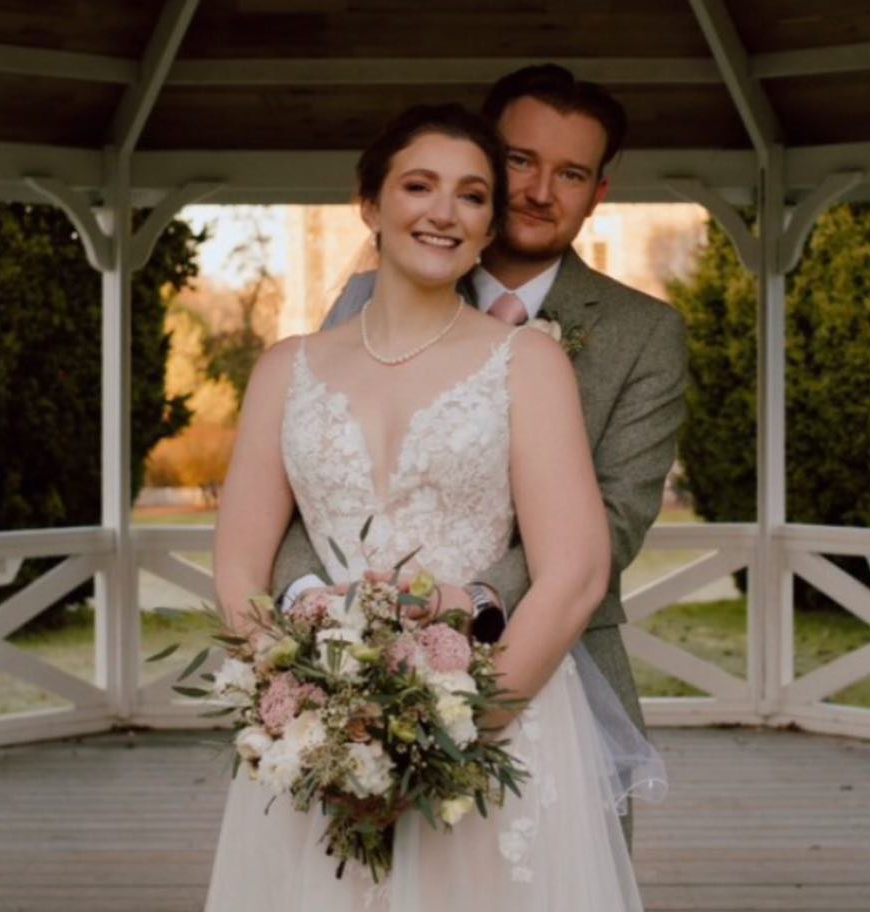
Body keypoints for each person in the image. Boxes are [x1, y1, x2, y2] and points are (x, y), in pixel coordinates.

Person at [165, 104, 750, 912]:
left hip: (496, 742)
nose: (448, 211)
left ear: (487, 228)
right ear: (369, 203)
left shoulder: (525, 363)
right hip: (317, 750)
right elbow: (238, 568)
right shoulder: (288, 368)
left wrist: (452, 735)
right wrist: (309, 710)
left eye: (472, 195)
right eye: (421, 186)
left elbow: (573, 570)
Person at [273, 64, 687, 849]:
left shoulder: (645, 333)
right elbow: (310, 475)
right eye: (521, 162)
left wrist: (455, 612)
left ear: (599, 192)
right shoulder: (374, 295)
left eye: (570, 174)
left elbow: (617, 516)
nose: (539, 190)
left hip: (554, 673)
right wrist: (318, 613)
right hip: (352, 673)